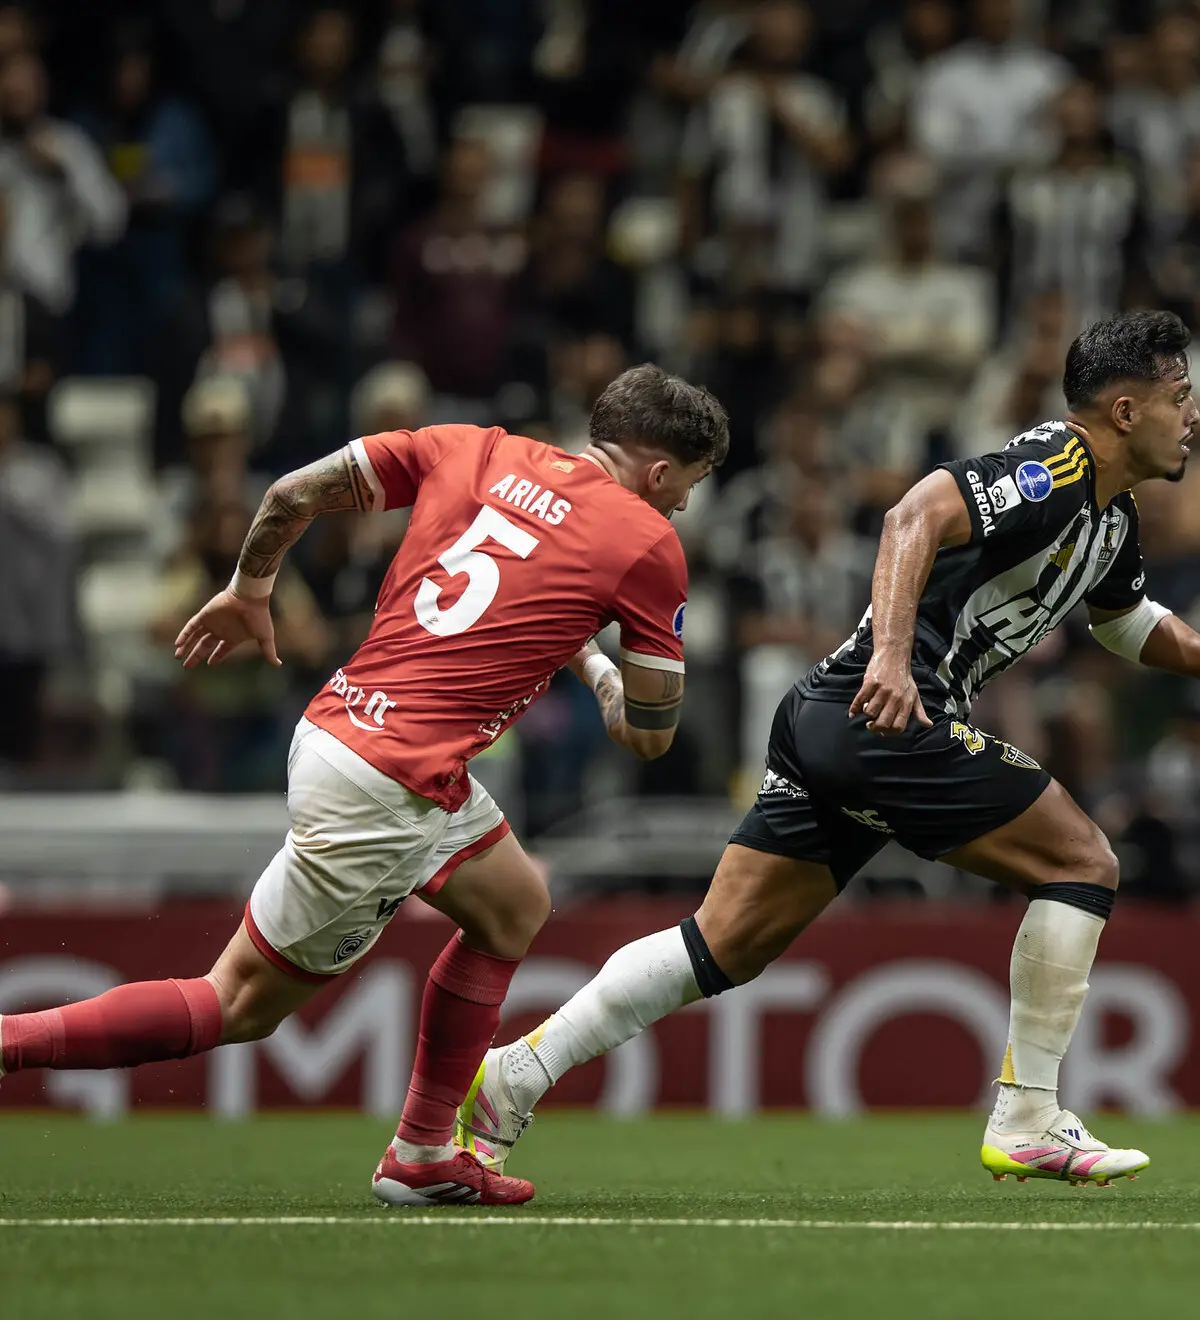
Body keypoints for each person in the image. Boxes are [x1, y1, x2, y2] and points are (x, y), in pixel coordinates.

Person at [454, 311, 1200, 1185]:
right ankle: (1029, 1115)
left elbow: (1125, 621)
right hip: (886, 709)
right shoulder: (1052, 468)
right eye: (1181, 396)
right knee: (1084, 860)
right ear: (1127, 411)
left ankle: (514, 1074)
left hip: (834, 716)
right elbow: (913, 513)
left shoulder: (1111, 517)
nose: (1196, 414)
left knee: (722, 944)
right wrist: (890, 656)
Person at [0, 365, 728, 1208]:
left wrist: (249, 588)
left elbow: (290, 494)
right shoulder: (646, 542)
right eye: (688, 486)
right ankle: (10, 1039)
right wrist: (597, 667)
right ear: (660, 471)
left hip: (343, 726)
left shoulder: (473, 447)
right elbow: (649, 732)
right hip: (389, 786)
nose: (684, 506)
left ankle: (421, 1152)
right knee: (237, 1002)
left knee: (514, 905)